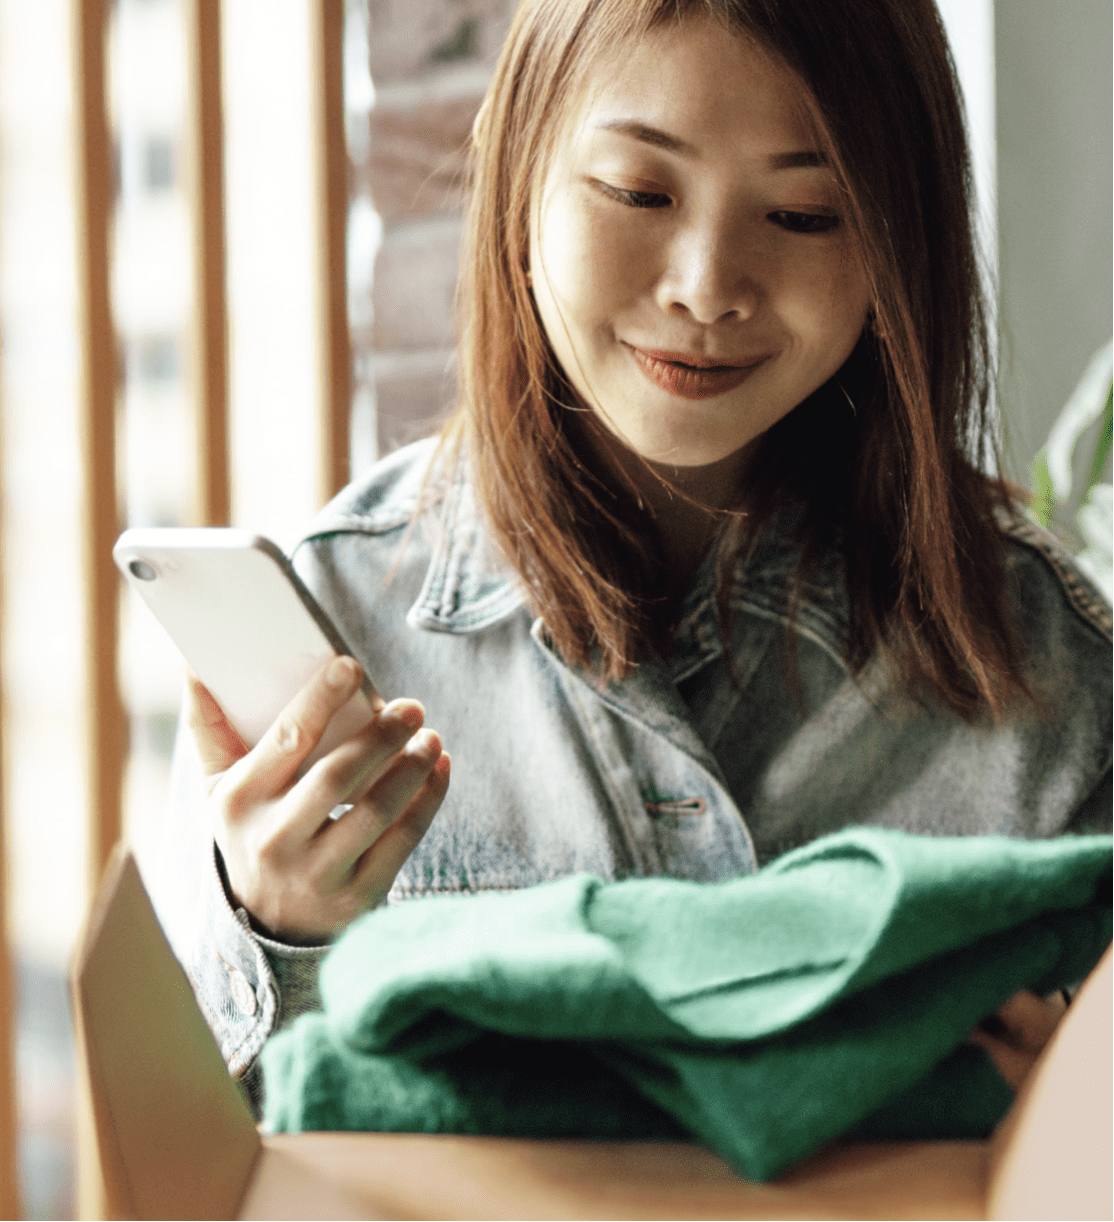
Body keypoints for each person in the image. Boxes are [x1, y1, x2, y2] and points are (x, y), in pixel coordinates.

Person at [142, 0, 1113, 1103]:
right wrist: (276, 932)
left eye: (801, 213)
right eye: (638, 192)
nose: (706, 284)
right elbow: (186, 1158)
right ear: (516, 172)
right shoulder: (331, 628)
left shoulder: (1049, 675)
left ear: (902, 237)